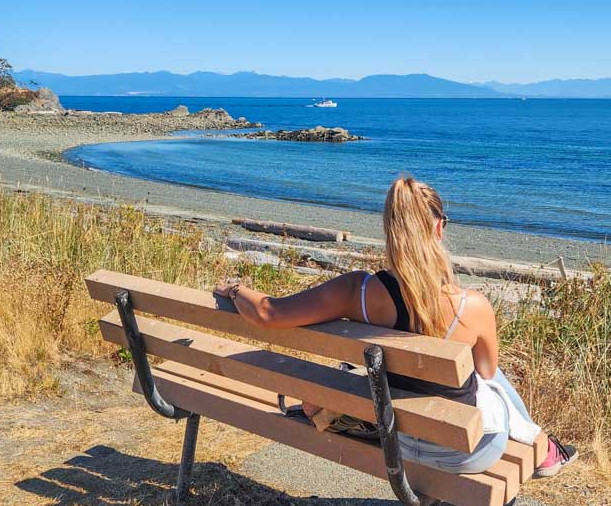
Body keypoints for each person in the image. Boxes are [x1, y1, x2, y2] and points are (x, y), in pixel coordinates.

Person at [214, 175, 576, 478]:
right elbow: (486, 370)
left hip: (397, 439)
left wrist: (234, 288)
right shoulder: (473, 306)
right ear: (438, 228)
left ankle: (544, 446)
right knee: (493, 381)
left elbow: (268, 313)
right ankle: (543, 447)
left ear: (390, 229)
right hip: (466, 453)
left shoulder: (357, 291)